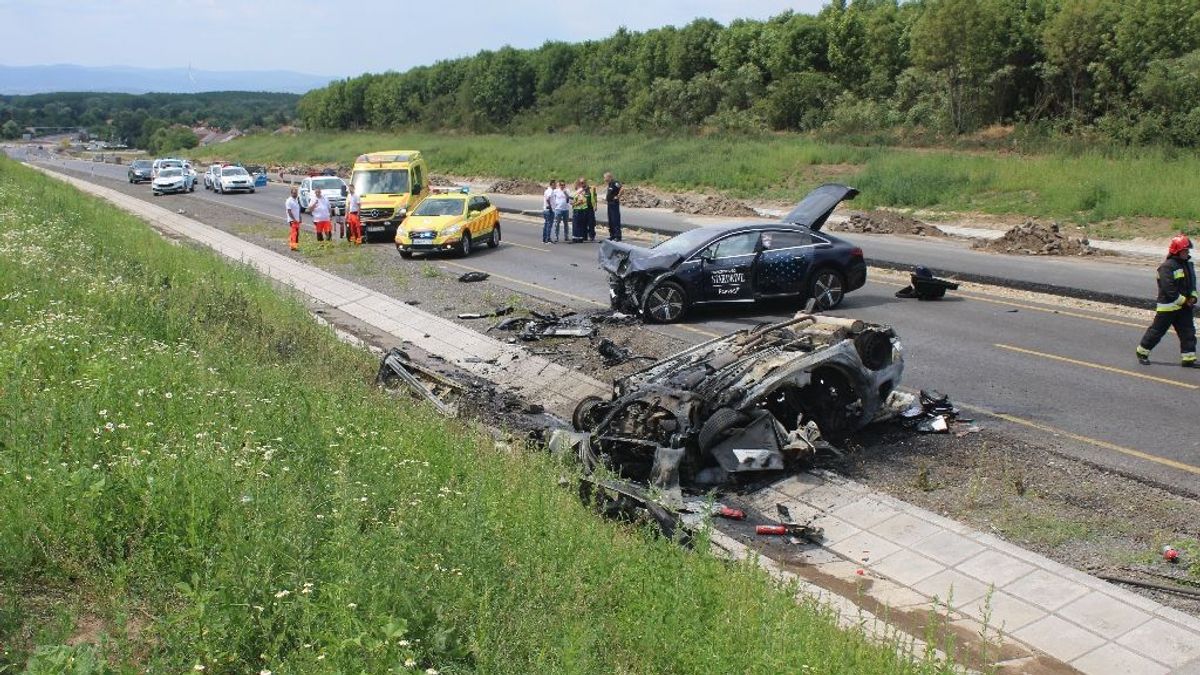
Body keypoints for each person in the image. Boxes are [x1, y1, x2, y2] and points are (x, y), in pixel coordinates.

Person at [1137, 234, 1197, 367]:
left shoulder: (1188, 265)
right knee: (1157, 332)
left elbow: (1192, 284)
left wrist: (1193, 297)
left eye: (1187, 250)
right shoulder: (1166, 267)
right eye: (1185, 250)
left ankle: (1188, 358)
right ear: (1176, 250)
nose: (1187, 253)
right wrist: (1184, 301)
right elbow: (1169, 289)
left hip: (1184, 307)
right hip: (1168, 307)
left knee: (1188, 332)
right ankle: (1142, 352)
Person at [604, 172, 623, 241]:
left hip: (614, 203)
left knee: (615, 219)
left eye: (605, 177)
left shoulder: (615, 183)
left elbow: (622, 189)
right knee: (610, 220)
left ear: (609, 177)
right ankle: (612, 235)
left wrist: (617, 196)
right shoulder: (609, 184)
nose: (604, 179)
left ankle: (618, 236)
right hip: (609, 204)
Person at [570, 178, 589, 243]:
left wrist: (574, 204)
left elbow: (580, 200)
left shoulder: (580, 191)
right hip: (581, 210)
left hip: (578, 209)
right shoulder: (582, 190)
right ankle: (580, 237)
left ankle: (576, 237)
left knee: (576, 224)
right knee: (580, 224)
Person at [285, 186, 302, 251]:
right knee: (294, 233)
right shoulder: (289, 201)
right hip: (292, 220)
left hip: (297, 220)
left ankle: (295, 246)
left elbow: (298, 210)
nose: (295, 194)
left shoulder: (296, 200)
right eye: (294, 193)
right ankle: (293, 247)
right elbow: (289, 211)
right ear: (291, 193)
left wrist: (300, 217)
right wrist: (294, 219)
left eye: (296, 193)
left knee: (297, 233)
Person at [542, 179, 556, 243]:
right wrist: (550, 207)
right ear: (552, 184)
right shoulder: (551, 191)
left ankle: (544, 239)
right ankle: (548, 239)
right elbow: (548, 199)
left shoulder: (546, 190)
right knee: (549, 225)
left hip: (545, 209)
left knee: (546, 224)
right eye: (555, 184)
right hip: (549, 210)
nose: (556, 185)